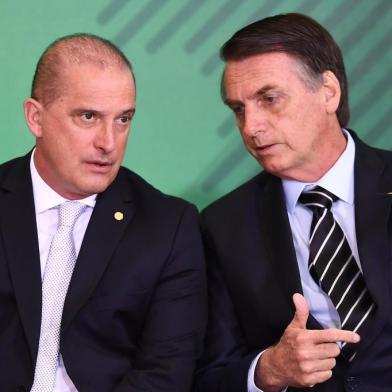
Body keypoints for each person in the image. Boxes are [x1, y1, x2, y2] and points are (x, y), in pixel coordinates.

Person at [194, 13, 392, 392]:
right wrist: (267, 371)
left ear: (328, 92)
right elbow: (208, 374)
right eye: (239, 109)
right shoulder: (223, 226)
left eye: (269, 99)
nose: (251, 127)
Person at [0, 33, 206, 391]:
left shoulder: (168, 227)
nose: (108, 143)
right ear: (36, 118)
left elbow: (166, 372)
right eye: (88, 116)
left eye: (123, 119)